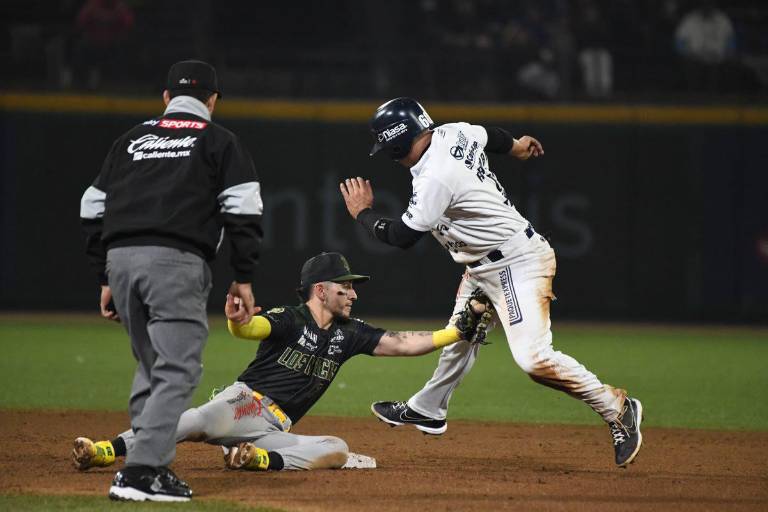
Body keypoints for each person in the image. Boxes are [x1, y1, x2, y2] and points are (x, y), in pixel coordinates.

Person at [339, 97, 643, 468]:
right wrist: (516, 146)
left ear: (396, 142)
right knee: (460, 334)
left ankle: (618, 407)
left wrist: (363, 214)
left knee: (533, 359)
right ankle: (429, 408)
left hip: (516, 264)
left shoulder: (435, 174)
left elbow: (402, 236)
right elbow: (490, 136)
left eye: (385, 145)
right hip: (482, 266)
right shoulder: (452, 131)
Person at [72, 252, 488, 475]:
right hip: (244, 405)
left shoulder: (350, 332)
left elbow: (405, 344)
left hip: (273, 429)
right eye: (346, 287)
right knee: (193, 422)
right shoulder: (292, 318)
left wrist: (457, 330)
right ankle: (109, 449)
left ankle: (253, 459)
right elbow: (252, 328)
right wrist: (237, 322)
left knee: (338, 451)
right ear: (320, 290)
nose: (353, 294)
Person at [79, 60, 263, 502]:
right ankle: (143, 472)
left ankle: (143, 468)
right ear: (213, 100)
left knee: (152, 367)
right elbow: (244, 211)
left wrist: (105, 273)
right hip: (176, 262)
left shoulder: (131, 139)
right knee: (177, 369)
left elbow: (91, 206)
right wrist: (243, 277)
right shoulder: (218, 140)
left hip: (121, 262)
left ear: (165, 98)